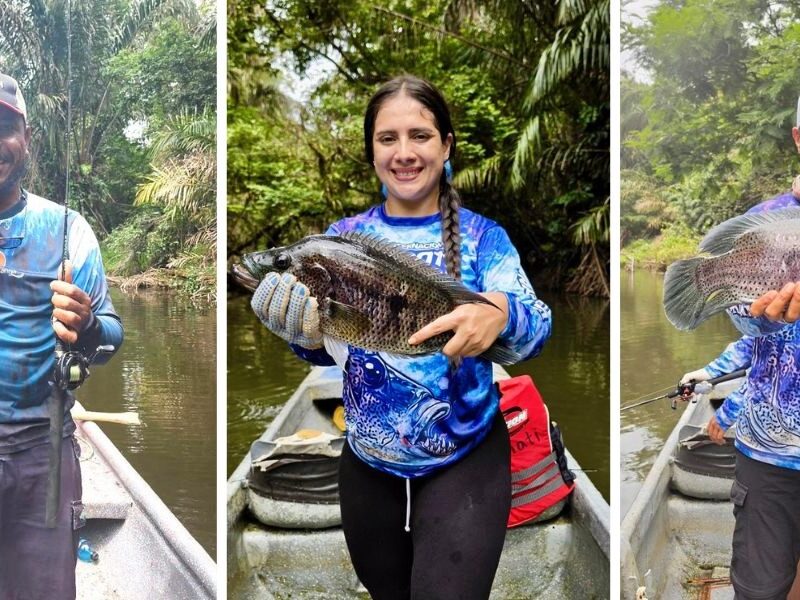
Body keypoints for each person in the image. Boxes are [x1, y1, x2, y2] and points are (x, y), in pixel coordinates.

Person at [250, 75, 552, 599]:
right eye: (388, 138)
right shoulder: (341, 239)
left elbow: (536, 331)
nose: (404, 152)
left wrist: (501, 314)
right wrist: (298, 333)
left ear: (446, 146)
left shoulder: (485, 238)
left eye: (420, 136)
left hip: (466, 455)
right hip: (367, 460)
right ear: (372, 151)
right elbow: (325, 350)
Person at [0, 73, 124, 599]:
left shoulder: (67, 229)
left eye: (4, 128)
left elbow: (112, 339)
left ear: (26, 139)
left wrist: (88, 325)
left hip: (42, 454)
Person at [680, 107, 800, 600]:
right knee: (761, 587)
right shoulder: (765, 220)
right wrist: (766, 317)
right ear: (798, 136)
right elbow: (744, 325)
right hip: (770, 454)